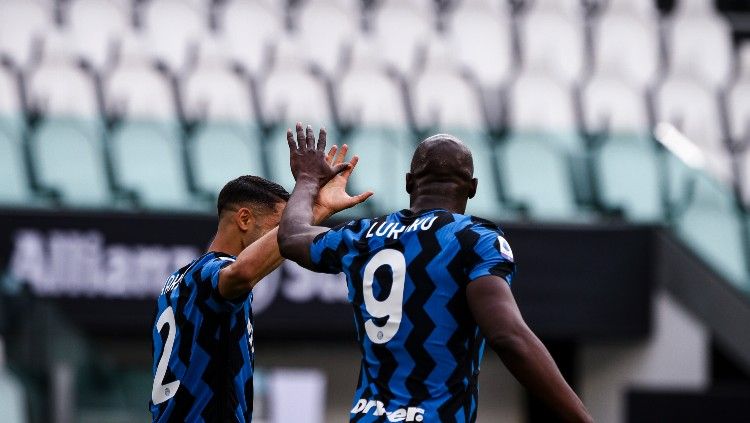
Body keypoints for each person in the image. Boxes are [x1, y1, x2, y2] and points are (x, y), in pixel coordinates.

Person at [278, 125, 593, 422]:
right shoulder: (473, 239)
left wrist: (307, 179)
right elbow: (507, 336)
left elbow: (291, 238)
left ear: (409, 182)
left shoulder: (363, 235)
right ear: (472, 188)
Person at [150, 125, 372, 422]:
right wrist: (308, 187)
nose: (288, 233)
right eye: (280, 225)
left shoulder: (178, 281)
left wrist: (314, 212)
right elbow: (241, 273)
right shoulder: (211, 273)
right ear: (244, 219)